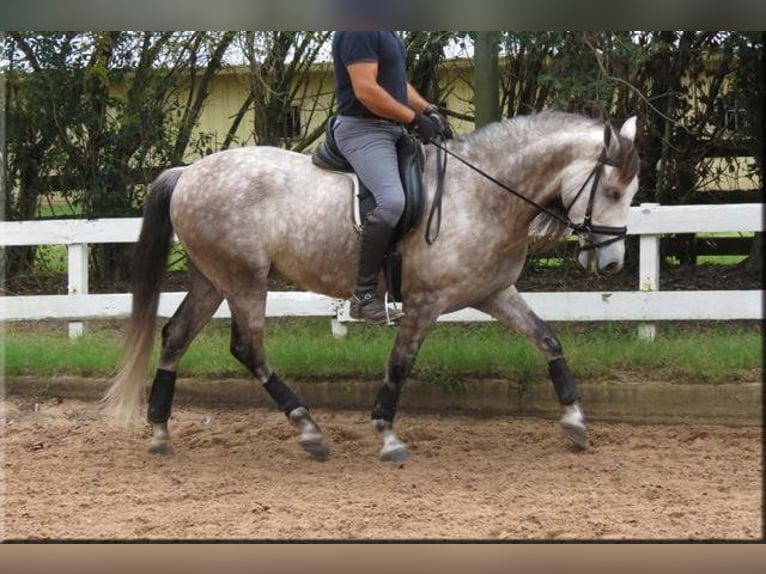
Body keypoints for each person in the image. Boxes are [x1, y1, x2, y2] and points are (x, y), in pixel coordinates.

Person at [332, 30, 451, 325]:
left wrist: (428, 110)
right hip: (363, 130)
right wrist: (413, 119)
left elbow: (396, 86)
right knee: (392, 202)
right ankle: (363, 297)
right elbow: (366, 91)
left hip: (393, 130)